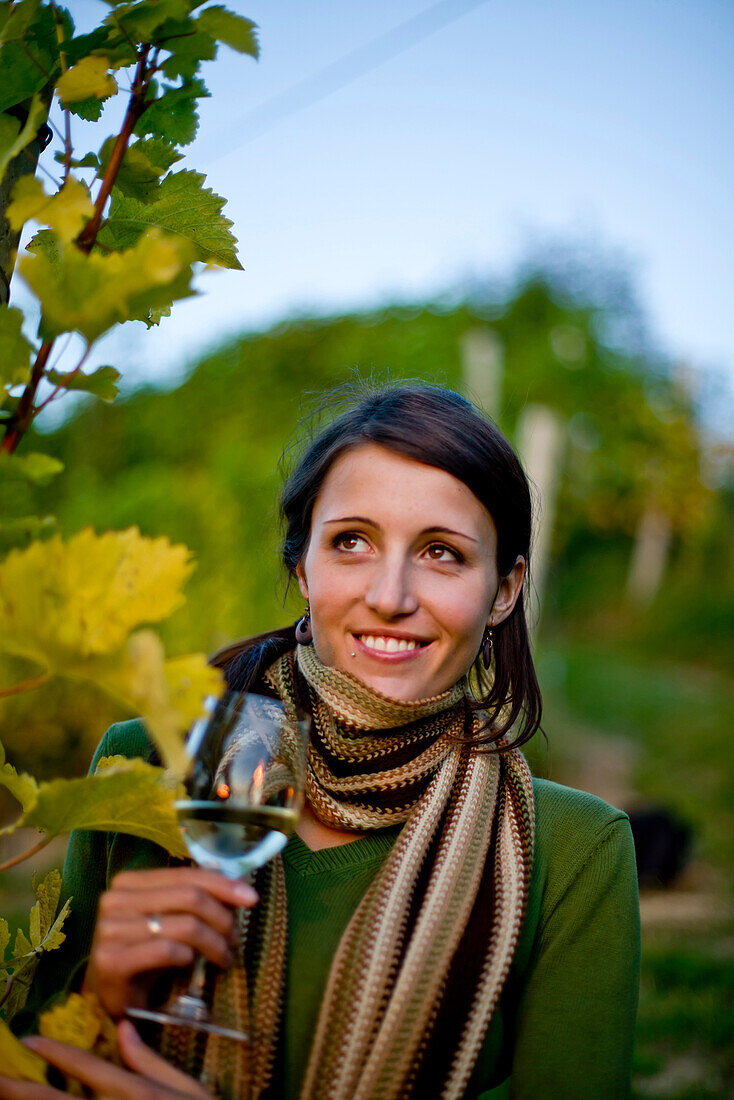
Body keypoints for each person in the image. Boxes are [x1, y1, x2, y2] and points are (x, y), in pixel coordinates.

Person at [3, 383, 640, 1100]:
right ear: (303, 567)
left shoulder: (575, 851)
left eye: (441, 553)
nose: (390, 595)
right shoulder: (149, 761)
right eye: (352, 542)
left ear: (503, 589)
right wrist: (103, 995)